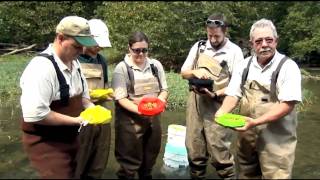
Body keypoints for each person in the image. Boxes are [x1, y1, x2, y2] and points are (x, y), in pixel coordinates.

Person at [215, 18, 302, 179]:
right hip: (247, 138)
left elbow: (288, 105)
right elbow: (233, 94)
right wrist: (221, 111)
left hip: (277, 141)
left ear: (276, 41)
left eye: (269, 40)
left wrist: (255, 122)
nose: (264, 45)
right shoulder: (244, 65)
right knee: (246, 175)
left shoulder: (288, 67)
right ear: (251, 44)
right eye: (259, 41)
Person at [19, 16, 97, 179]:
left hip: (70, 138)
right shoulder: (41, 68)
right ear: (61, 38)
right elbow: (36, 114)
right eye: (77, 46)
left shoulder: (75, 64)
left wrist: (92, 110)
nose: (82, 51)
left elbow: (84, 97)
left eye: (84, 46)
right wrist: (77, 121)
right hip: (46, 143)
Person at [180, 13, 244, 179]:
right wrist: (196, 72)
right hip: (195, 106)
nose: (213, 39)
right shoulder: (199, 46)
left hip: (219, 107)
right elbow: (183, 73)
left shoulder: (235, 52)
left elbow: (237, 86)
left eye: (217, 36)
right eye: (210, 35)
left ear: (225, 31)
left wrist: (215, 93)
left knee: (220, 155)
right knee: (194, 152)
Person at [111, 31, 169, 179]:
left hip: (154, 119)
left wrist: (160, 101)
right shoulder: (122, 68)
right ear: (129, 48)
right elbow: (121, 98)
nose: (141, 54)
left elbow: (164, 90)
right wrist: (140, 110)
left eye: (144, 50)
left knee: (149, 160)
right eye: (137, 50)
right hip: (129, 121)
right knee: (128, 165)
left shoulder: (155, 65)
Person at [75, 19, 112, 179]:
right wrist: (89, 95)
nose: (100, 47)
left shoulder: (101, 60)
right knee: (78, 160)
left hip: (100, 116)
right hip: (79, 117)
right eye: (96, 43)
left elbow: (105, 84)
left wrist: (106, 93)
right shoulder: (74, 58)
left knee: (99, 159)